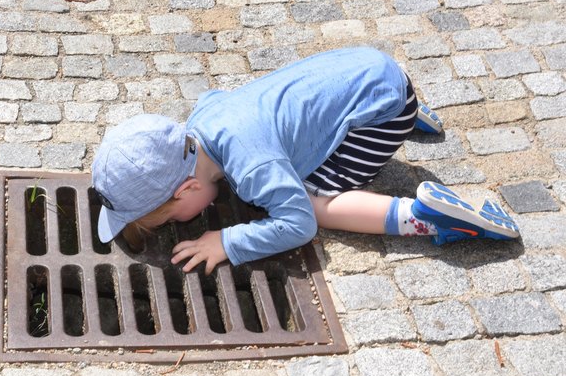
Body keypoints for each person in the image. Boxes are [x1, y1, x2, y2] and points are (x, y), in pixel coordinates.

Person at [92, 47, 519, 275]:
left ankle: (428, 217)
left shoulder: (254, 168)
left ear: (187, 189)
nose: (174, 224)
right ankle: (394, 103)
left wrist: (228, 241)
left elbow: (299, 226)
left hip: (383, 114)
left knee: (313, 201)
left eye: (168, 218)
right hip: (364, 68)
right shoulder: (203, 117)